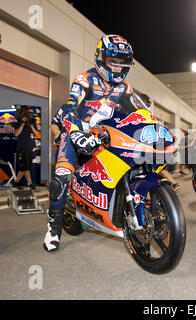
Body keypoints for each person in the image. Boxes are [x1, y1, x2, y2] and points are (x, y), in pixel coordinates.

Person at [43, 34, 138, 252]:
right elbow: (69, 109)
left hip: (106, 136)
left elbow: (137, 114)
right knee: (62, 178)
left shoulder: (126, 89)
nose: (118, 67)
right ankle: (53, 229)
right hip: (77, 133)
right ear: (101, 58)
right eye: (113, 61)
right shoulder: (84, 80)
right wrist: (76, 134)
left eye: (123, 62)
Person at [13, 106, 40, 189]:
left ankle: (16, 182)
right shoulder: (19, 122)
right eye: (29, 113)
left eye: (32, 113)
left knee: (24, 167)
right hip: (22, 147)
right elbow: (16, 134)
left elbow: (37, 134)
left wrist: (31, 126)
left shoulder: (32, 122)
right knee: (26, 167)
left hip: (30, 147)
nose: (31, 115)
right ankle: (31, 184)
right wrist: (23, 124)